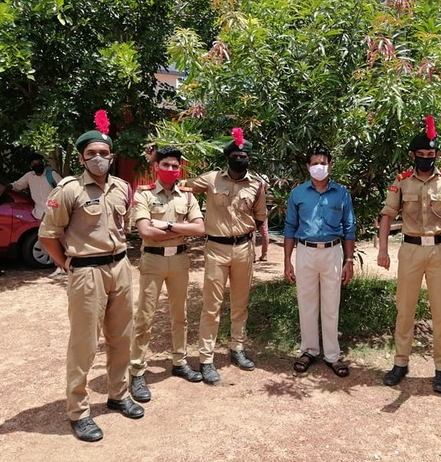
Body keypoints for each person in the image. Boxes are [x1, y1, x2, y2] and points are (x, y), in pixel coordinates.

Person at [39, 111, 143, 442]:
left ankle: (118, 394)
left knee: (121, 336)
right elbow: (47, 235)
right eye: (91, 153)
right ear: (82, 158)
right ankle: (79, 411)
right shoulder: (69, 189)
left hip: (120, 267)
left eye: (103, 153)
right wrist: (67, 265)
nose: (98, 158)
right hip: (86, 271)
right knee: (84, 344)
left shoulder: (122, 188)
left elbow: (122, 227)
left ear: (112, 156)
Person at [377, 115, 441, 392]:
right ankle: (400, 363)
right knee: (404, 309)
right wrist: (383, 249)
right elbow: (387, 215)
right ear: (413, 155)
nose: (426, 159)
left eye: (431, 155)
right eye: (421, 154)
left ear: (437, 155)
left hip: (439, 251)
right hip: (410, 250)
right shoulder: (402, 182)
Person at [182, 128, 267, 384]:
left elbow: (260, 216)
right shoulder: (211, 179)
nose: (240, 159)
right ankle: (206, 359)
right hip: (216, 249)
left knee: (240, 302)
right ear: (228, 157)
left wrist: (250, 237)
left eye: (244, 156)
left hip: (244, 249)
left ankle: (237, 348)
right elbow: (183, 186)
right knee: (212, 305)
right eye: (235, 155)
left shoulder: (257, 185)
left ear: (249, 158)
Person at [129, 145, 205, 403]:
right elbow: (145, 231)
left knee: (180, 315)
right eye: (166, 165)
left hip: (180, 260)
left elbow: (200, 228)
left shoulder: (187, 196)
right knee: (145, 317)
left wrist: (167, 225)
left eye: (175, 166)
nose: (171, 169)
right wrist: (181, 229)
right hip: (153, 260)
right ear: (156, 167)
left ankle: (179, 361)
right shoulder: (144, 194)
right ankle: (137, 370)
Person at [283, 147, 356, 377]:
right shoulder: (298, 194)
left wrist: (349, 260)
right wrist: (287, 260)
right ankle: (309, 350)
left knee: (331, 305)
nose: (319, 167)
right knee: (306, 303)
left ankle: (332, 355)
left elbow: (349, 227)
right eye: (314, 163)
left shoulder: (342, 194)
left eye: (323, 163)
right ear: (308, 167)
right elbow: (290, 227)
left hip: (332, 253)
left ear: (330, 165)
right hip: (305, 252)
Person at [0, 153, 65, 276]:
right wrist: (5, 188)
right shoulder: (29, 176)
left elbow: (64, 189)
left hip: (54, 212)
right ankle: (59, 266)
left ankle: (62, 267)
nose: (36, 164)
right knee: (46, 241)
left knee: (58, 239)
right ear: (31, 165)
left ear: (42, 162)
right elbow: (17, 185)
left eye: (38, 162)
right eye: (34, 163)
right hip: (39, 213)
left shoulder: (52, 174)